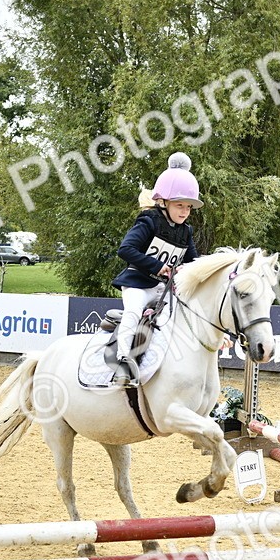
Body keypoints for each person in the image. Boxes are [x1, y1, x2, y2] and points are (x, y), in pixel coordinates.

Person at [110, 152, 201, 385]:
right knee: (133, 312)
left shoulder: (186, 231)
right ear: (164, 202)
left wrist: (186, 271)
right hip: (137, 283)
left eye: (188, 207)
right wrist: (160, 267)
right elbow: (126, 249)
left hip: (164, 289)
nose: (184, 211)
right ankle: (122, 363)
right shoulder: (148, 220)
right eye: (179, 205)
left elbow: (192, 261)